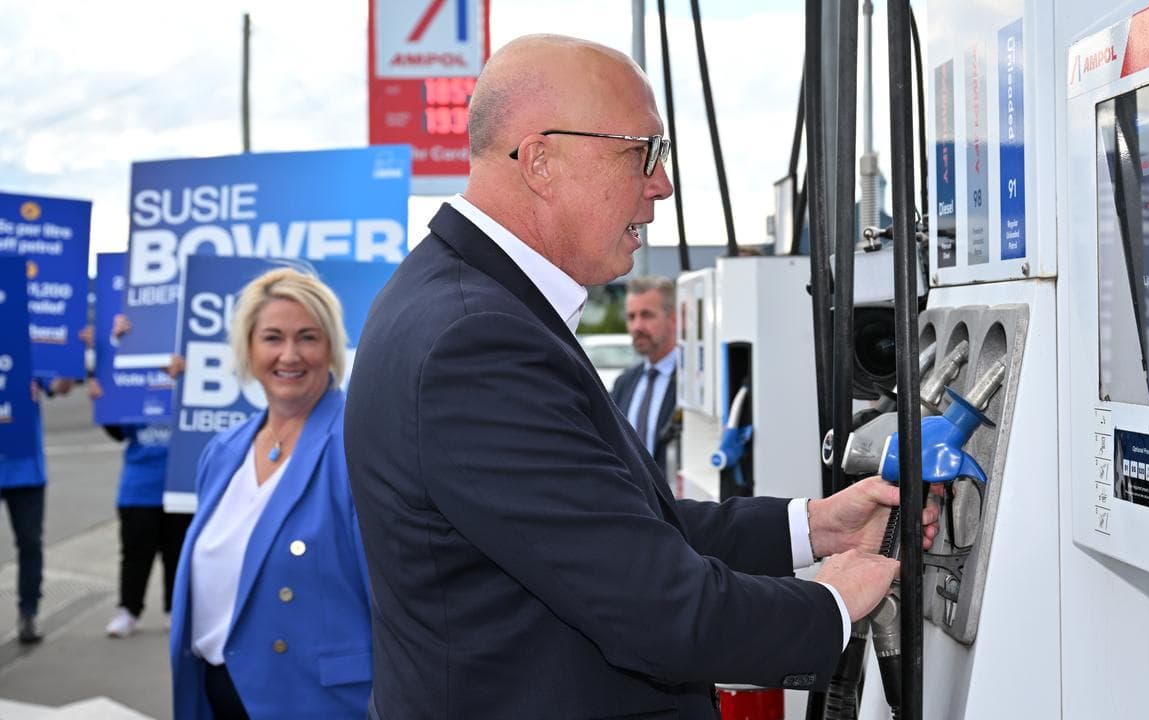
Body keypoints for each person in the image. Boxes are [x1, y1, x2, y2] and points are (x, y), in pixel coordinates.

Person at [345, 34, 937, 719]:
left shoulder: (465, 306)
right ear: (540, 160)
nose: (664, 183)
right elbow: (658, 610)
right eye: (643, 151)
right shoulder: (474, 340)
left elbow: (619, 527)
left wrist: (813, 529)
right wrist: (833, 600)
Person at [169, 268, 371, 719]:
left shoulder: (357, 444)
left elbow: (390, 594)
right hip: (217, 692)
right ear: (249, 348)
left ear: (332, 348)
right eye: (273, 337)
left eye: (308, 337)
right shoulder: (222, 452)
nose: (290, 355)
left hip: (314, 702)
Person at [87, 316, 192, 637]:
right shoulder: (134, 380)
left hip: (181, 484)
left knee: (179, 552)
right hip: (139, 485)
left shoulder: (187, 376)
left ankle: (176, 611)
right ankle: (128, 610)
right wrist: (104, 403)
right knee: (135, 552)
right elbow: (119, 432)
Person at [0, 374, 73, 645]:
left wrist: (71, 360)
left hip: (25, 471)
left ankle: (28, 613)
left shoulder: (24, 342)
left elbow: (60, 386)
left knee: (30, 544)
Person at [611, 276, 678, 472]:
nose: (637, 327)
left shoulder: (694, 382)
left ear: (673, 319)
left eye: (647, 315)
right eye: (631, 317)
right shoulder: (624, 383)